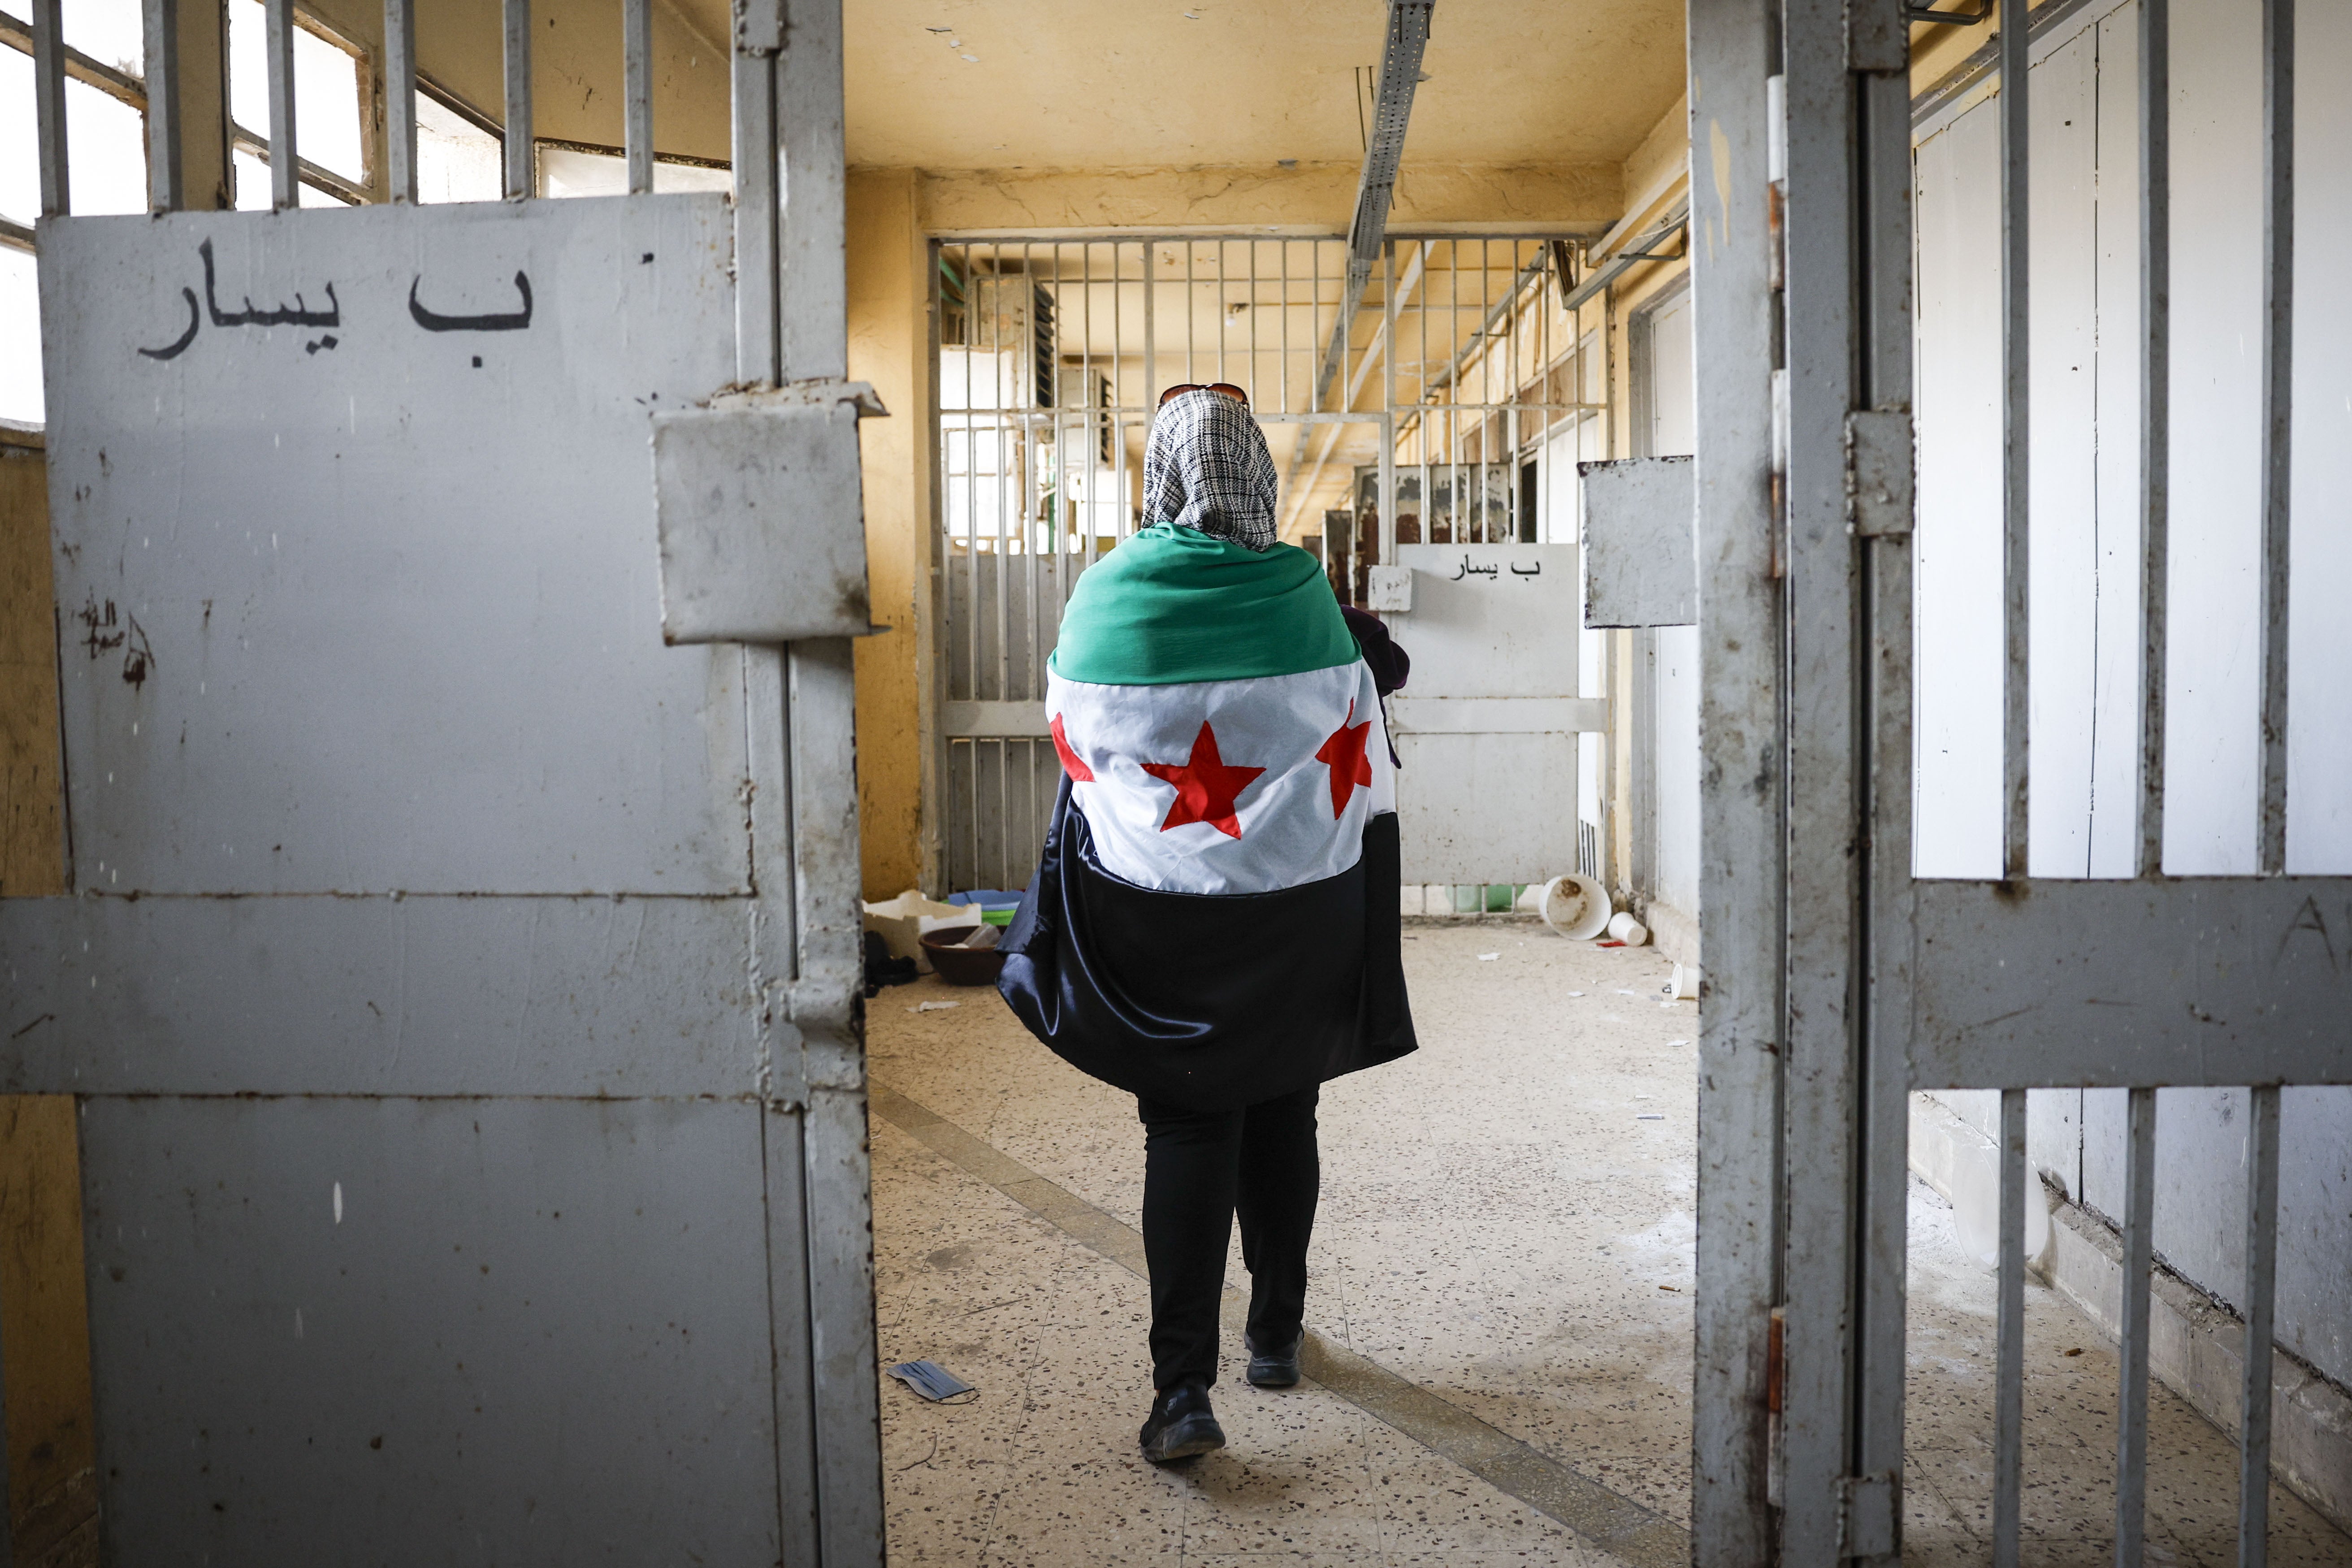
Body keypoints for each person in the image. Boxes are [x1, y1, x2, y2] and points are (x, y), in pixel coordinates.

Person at [996, 383, 1418, 1465]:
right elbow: (1356, 722)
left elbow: (1074, 736)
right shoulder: (1302, 594)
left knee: (1187, 1128)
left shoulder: (1104, 595)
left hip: (1153, 918)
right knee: (1284, 1115)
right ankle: (1273, 1336)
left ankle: (1182, 1392)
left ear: (1161, 477)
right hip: (1297, 917)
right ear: (1257, 479)